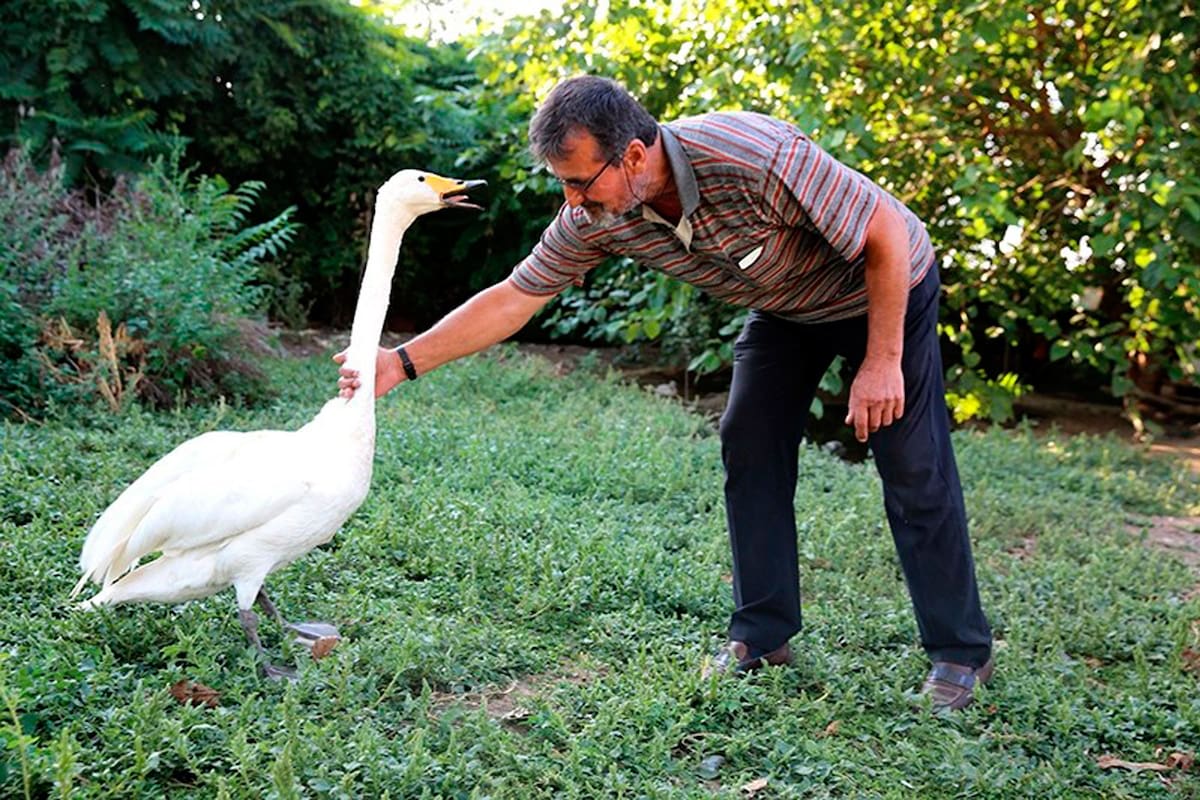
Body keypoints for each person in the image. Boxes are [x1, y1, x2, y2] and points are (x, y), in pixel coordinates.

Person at [337, 76, 994, 711]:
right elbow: (518, 296)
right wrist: (401, 362)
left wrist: (883, 360)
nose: (571, 202)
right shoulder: (599, 213)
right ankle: (762, 639)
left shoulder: (750, 155)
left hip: (882, 282)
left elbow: (881, 229)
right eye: (562, 184)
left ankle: (961, 652)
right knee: (749, 440)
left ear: (633, 155)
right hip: (787, 307)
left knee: (910, 458)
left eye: (579, 182)